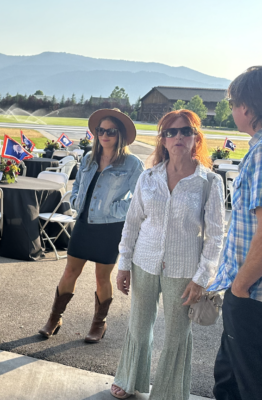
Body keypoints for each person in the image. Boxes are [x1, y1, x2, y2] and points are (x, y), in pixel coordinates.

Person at [110, 109, 225, 399]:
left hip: (184, 270)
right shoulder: (148, 177)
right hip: (144, 263)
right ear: (162, 139)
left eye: (186, 131)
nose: (178, 137)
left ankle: (169, 393)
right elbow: (132, 223)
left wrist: (201, 278)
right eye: (170, 132)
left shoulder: (209, 182)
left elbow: (215, 236)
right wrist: (124, 264)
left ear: (196, 137)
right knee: (138, 326)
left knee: (177, 336)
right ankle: (129, 378)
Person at [39, 108, 144, 343]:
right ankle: (54, 318)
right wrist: (76, 200)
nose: (104, 135)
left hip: (109, 228)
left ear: (120, 134)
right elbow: (77, 184)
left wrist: (114, 210)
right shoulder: (88, 158)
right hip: (84, 223)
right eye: (100, 130)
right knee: (70, 271)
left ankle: (99, 323)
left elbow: (140, 199)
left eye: (111, 131)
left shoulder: (132, 164)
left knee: (101, 277)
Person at [207, 66, 262, 400]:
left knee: (248, 383)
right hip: (246, 290)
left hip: (251, 293)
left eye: (232, 103)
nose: (231, 110)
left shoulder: (261, 154)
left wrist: (240, 286)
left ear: (247, 107)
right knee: (229, 379)